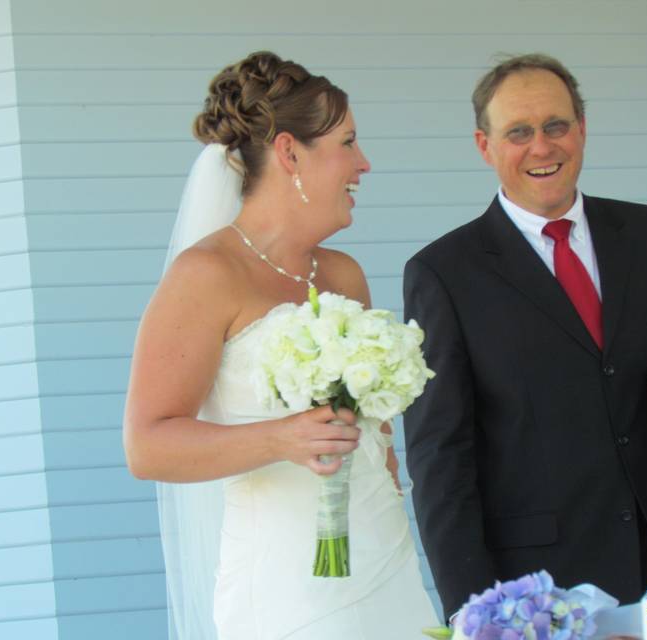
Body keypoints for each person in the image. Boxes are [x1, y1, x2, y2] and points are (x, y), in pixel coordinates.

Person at [402, 53, 647, 622]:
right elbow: (441, 457)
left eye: (556, 126)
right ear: (483, 145)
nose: (542, 147)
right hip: (542, 593)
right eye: (518, 132)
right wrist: (473, 614)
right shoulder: (444, 274)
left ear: (582, 129)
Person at [123, 51, 438, 640]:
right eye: (348, 143)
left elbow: (375, 427)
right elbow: (148, 445)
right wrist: (282, 439)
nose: (364, 163)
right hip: (286, 586)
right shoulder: (207, 275)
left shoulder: (344, 275)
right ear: (291, 152)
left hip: (382, 557)